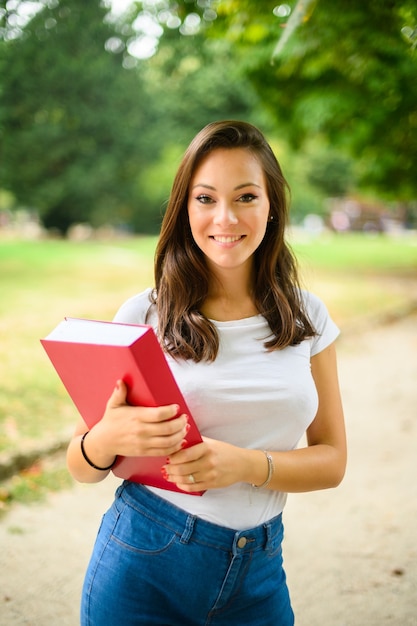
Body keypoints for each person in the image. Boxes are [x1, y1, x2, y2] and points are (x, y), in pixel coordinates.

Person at [67, 120, 346, 626]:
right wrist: (104, 437)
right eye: (205, 198)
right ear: (184, 208)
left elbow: (332, 461)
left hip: (259, 572)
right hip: (145, 560)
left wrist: (245, 465)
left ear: (271, 206)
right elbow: (82, 465)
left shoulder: (308, 317)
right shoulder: (143, 315)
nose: (225, 217)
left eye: (245, 196)